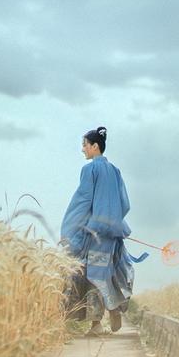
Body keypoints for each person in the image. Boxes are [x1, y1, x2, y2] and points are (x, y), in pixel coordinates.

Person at [60, 126, 147, 336]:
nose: (82, 149)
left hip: (93, 233)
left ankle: (98, 323)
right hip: (112, 235)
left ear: (95, 146)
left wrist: (70, 227)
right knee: (103, 273)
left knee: (91, 276)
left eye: (84, 145)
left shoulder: (89, 170)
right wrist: (113, 220)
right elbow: (125, 203)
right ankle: (113, 307)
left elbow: (83, 200)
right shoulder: (115, 171)